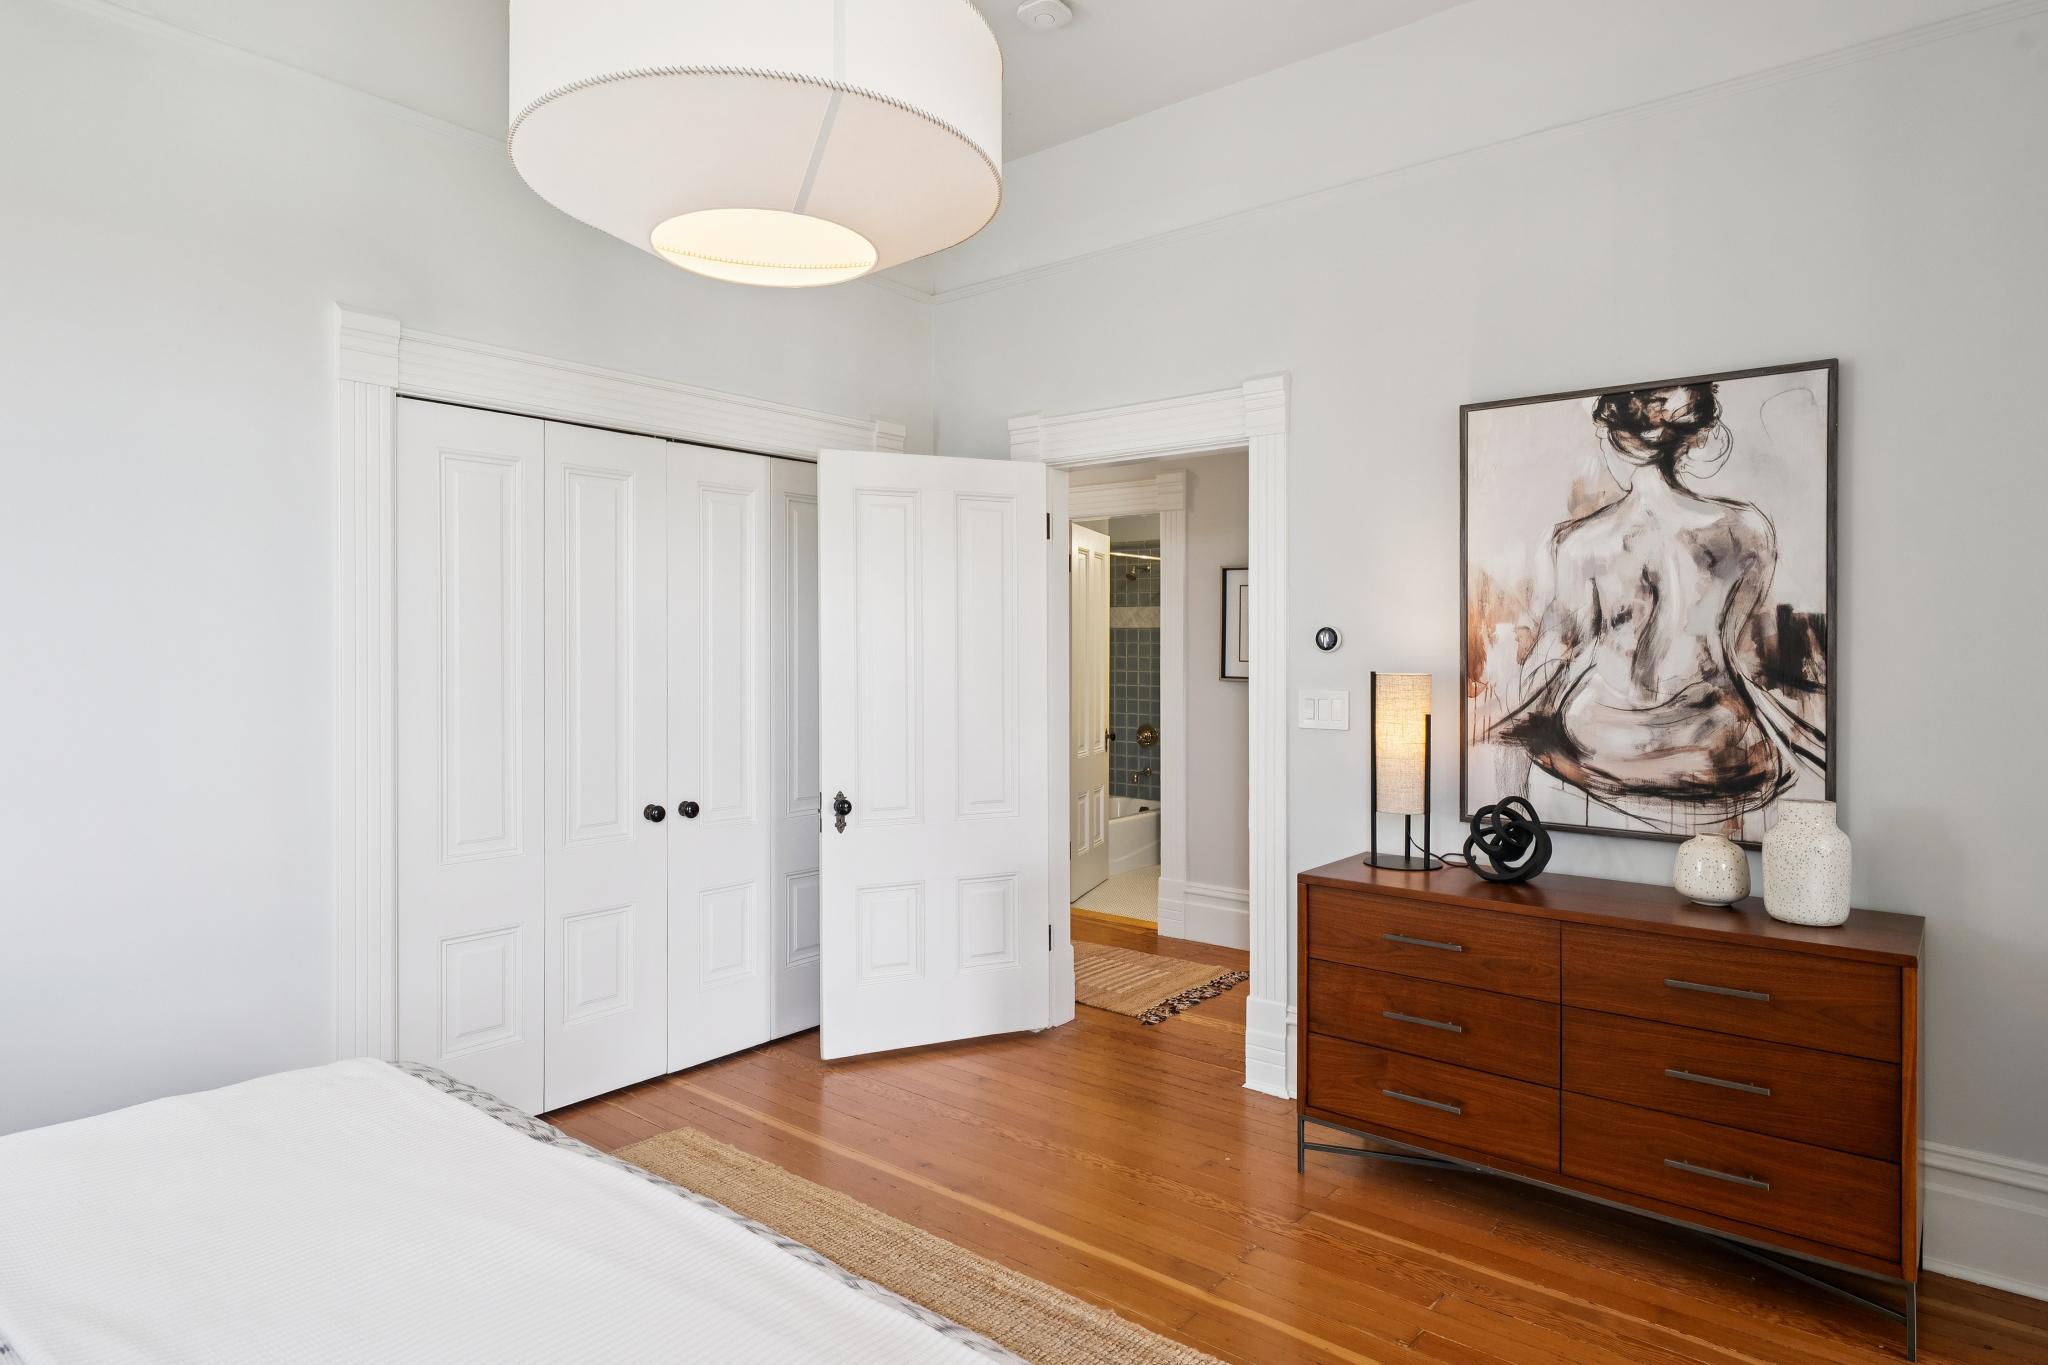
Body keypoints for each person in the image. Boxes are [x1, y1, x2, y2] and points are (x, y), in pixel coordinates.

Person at [1490, 383, 1797, 826]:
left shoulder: (1578, 543)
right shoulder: (1747, 530)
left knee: (1533, 730)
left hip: (1603, 736)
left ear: (1613, 440)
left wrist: (1516, 725)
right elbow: (1735, 655)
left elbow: (1559, 656)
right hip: (1706, 740)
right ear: (1694, 439)